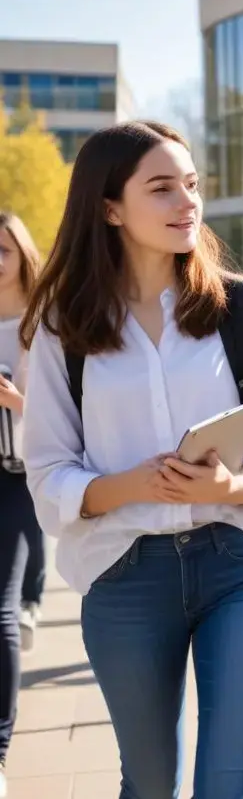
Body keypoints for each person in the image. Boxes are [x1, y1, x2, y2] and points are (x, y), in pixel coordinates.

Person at [20, 121, 243, 799]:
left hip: (241, 563)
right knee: (148, 785)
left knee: (226, 785)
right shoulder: (62, 326)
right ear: (109, 207)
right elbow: (48, 474)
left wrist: (234, 483)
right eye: (162, 188)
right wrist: (131, 485)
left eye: (192, 185)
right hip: (123, 577)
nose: (187, 203)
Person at [0, 213, 42, 797]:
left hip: (19, 476)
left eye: (3, 249)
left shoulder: (42, 322)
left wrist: (15, 398)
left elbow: (72, 418)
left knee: (0, 610)